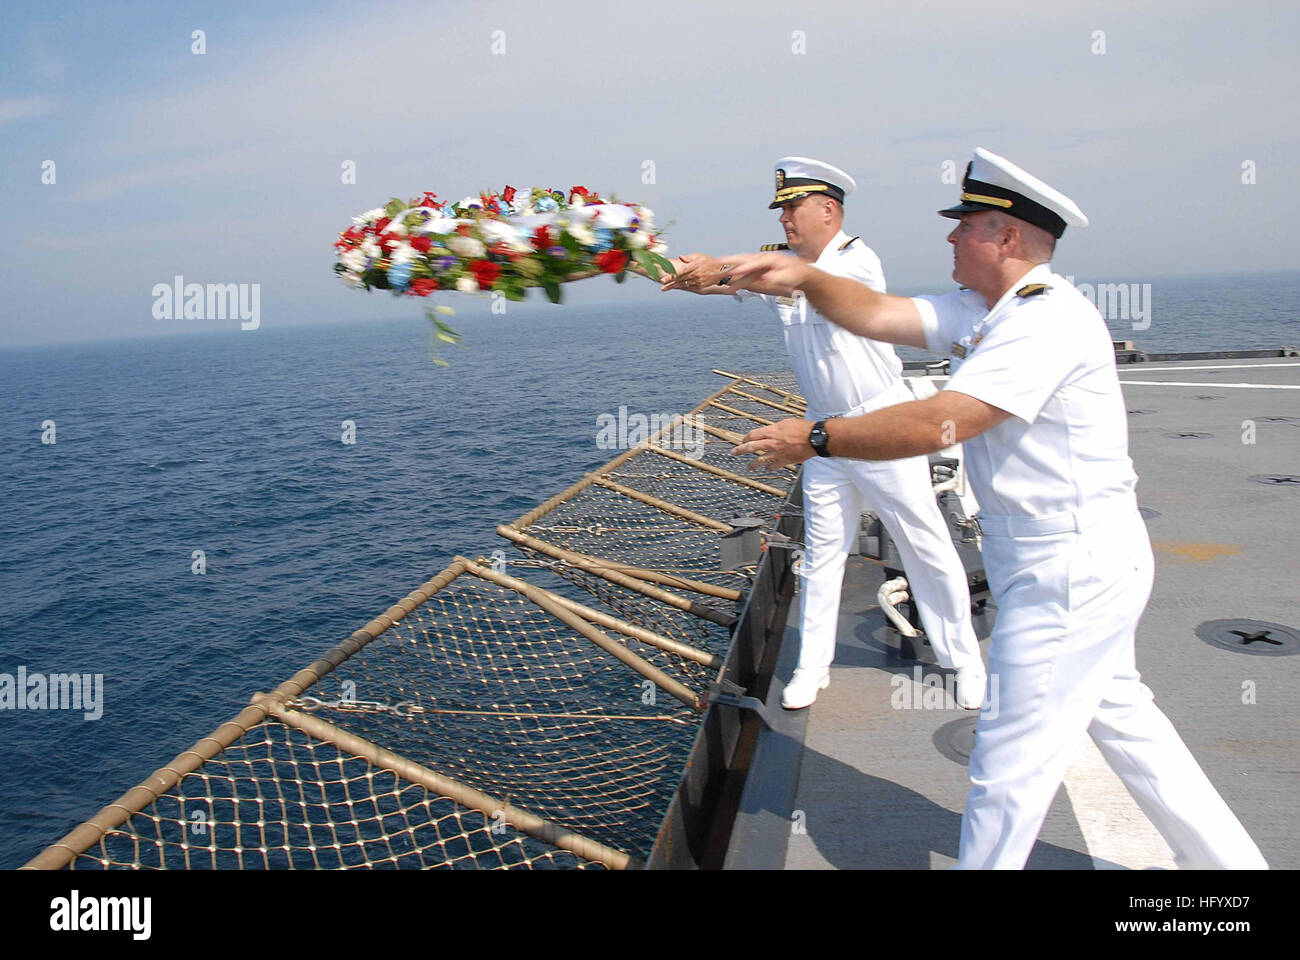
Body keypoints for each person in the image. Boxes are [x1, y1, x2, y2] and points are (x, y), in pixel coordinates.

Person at [666, 147, 1269, 869]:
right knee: (1126, 722)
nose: (949, 238)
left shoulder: (1043, 321)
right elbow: (880, 313)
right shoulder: (988, 308)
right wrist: (794, 273)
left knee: (1007, 767)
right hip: (1060, 559)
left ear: (1006, 238)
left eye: (965, 226)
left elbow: (939, 422)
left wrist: (816, 437)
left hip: (1067, 566)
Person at [665, 157, 985, 711]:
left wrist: (719, 267)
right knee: (821, 555)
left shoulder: (856, 262)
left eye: (794, 207)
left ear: (828, 209)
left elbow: (783, 280)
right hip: (821, 434)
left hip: (878, 426)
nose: (786, 218)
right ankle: (813, 667)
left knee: (924, 545)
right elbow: (722, 283)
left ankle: (962, 660)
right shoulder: (782, 262)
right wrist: (640, 259)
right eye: (782, 210)